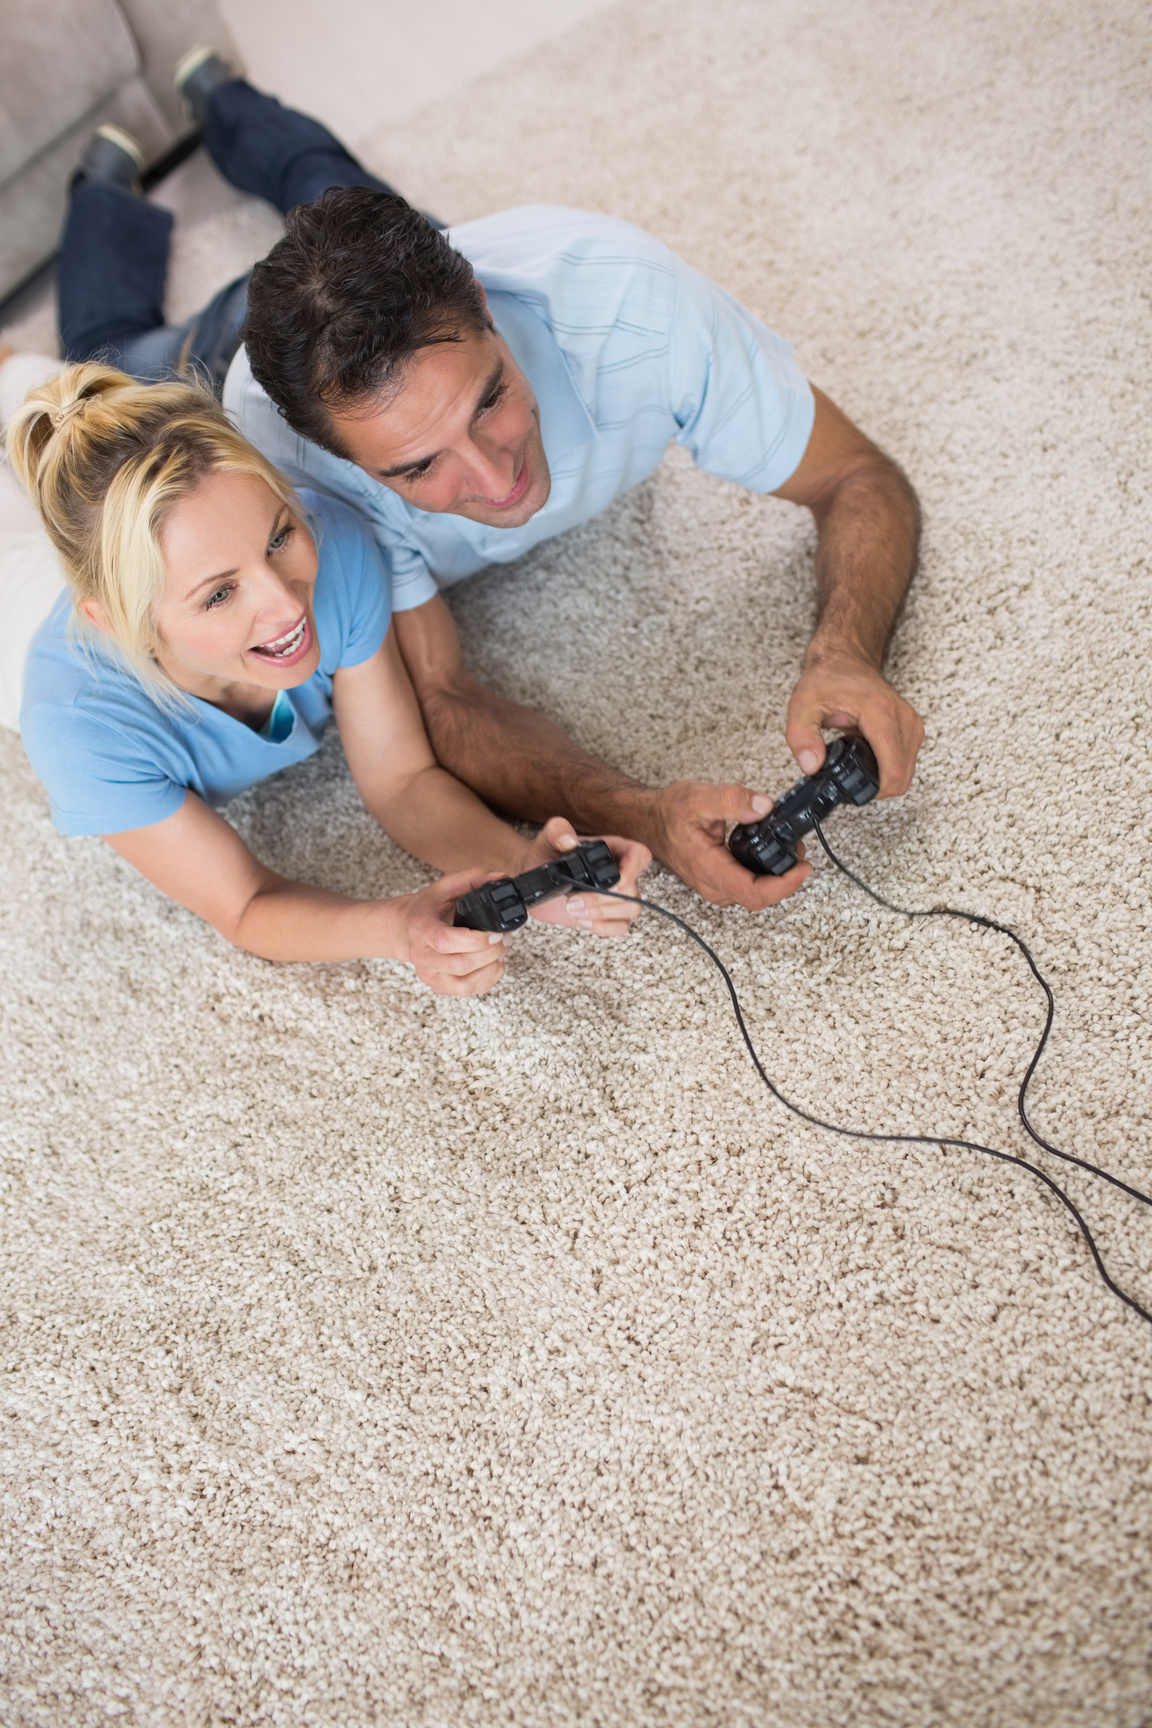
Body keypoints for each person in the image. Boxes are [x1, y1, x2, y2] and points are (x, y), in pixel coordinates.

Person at [7, 363, 648, 994]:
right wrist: (399, 928)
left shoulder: (333, 544)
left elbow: (401, 782)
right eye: (221, 594)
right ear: (120, 626)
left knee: (65, 403)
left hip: (108, 509)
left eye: (279, 536)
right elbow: (246, 904)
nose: (288, 607)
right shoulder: (75, 727)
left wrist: (528, 868)